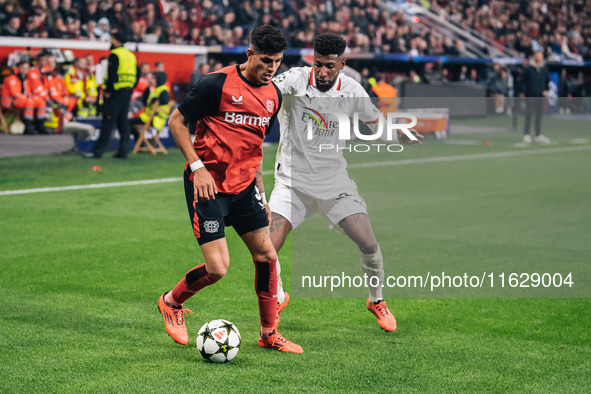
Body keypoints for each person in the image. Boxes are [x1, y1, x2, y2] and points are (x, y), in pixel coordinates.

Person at [157, 25, 303, 354]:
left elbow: (256, 147)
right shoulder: (216, 84)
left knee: (267, 255)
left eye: (278, 62)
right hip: (208, 186)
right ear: (249, 54)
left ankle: (269, 333)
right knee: (217, 268)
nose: (272, 68)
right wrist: (198, 169)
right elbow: (176, 122)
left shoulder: (273, 97)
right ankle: (171, 302)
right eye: (266, 60)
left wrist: (262, 196)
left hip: (245, 187)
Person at [269, 33, 423, 333]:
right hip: (292, 183)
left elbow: (375, 124)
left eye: (329, 66)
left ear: (342, 63)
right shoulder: (295, 80)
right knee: (267, 247)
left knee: (368, 242)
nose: (322, 72)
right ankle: (278, 297)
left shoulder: (352, 90)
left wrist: (398, 134)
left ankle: (376, 300)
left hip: (334, 184)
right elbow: (261, 90)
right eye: (317, 64)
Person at [84, 30, 138, 158]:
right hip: (127, 92)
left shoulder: (115, 54)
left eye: (112, 39)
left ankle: (98, 151)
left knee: (108, 121)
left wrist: (108, 91)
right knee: (122, 122)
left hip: (115, 94)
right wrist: (130, 87)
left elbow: (112, 75)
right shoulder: (131, 55)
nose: (110, 41)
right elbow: (137, 74)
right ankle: (123, 151)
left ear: (117, 41)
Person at [129, 70, 170, 141]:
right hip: (149, 117)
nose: (151, 80)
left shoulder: (164, 90)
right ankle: (141, 142)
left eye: (153, 78)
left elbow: (164, 100)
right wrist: (148, 87)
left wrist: (154, 99)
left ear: (159, 79)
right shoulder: (155, 90)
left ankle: (139, 142)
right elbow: (145, 101)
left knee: (127, 122)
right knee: (129, 122)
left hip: (154, 118)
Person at [520, 50, 550, 144]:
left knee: (539, 115)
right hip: (530, 94)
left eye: (541, 55)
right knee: (529, 114)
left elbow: (547, 81)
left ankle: (538, 134)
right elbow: (522, 81)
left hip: (539, 95)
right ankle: (526, 134)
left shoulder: (544, 69)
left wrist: (545, 90)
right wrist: (521, 92)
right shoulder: (529, 69)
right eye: (538, 55)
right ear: (534, 57)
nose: (539, 57)